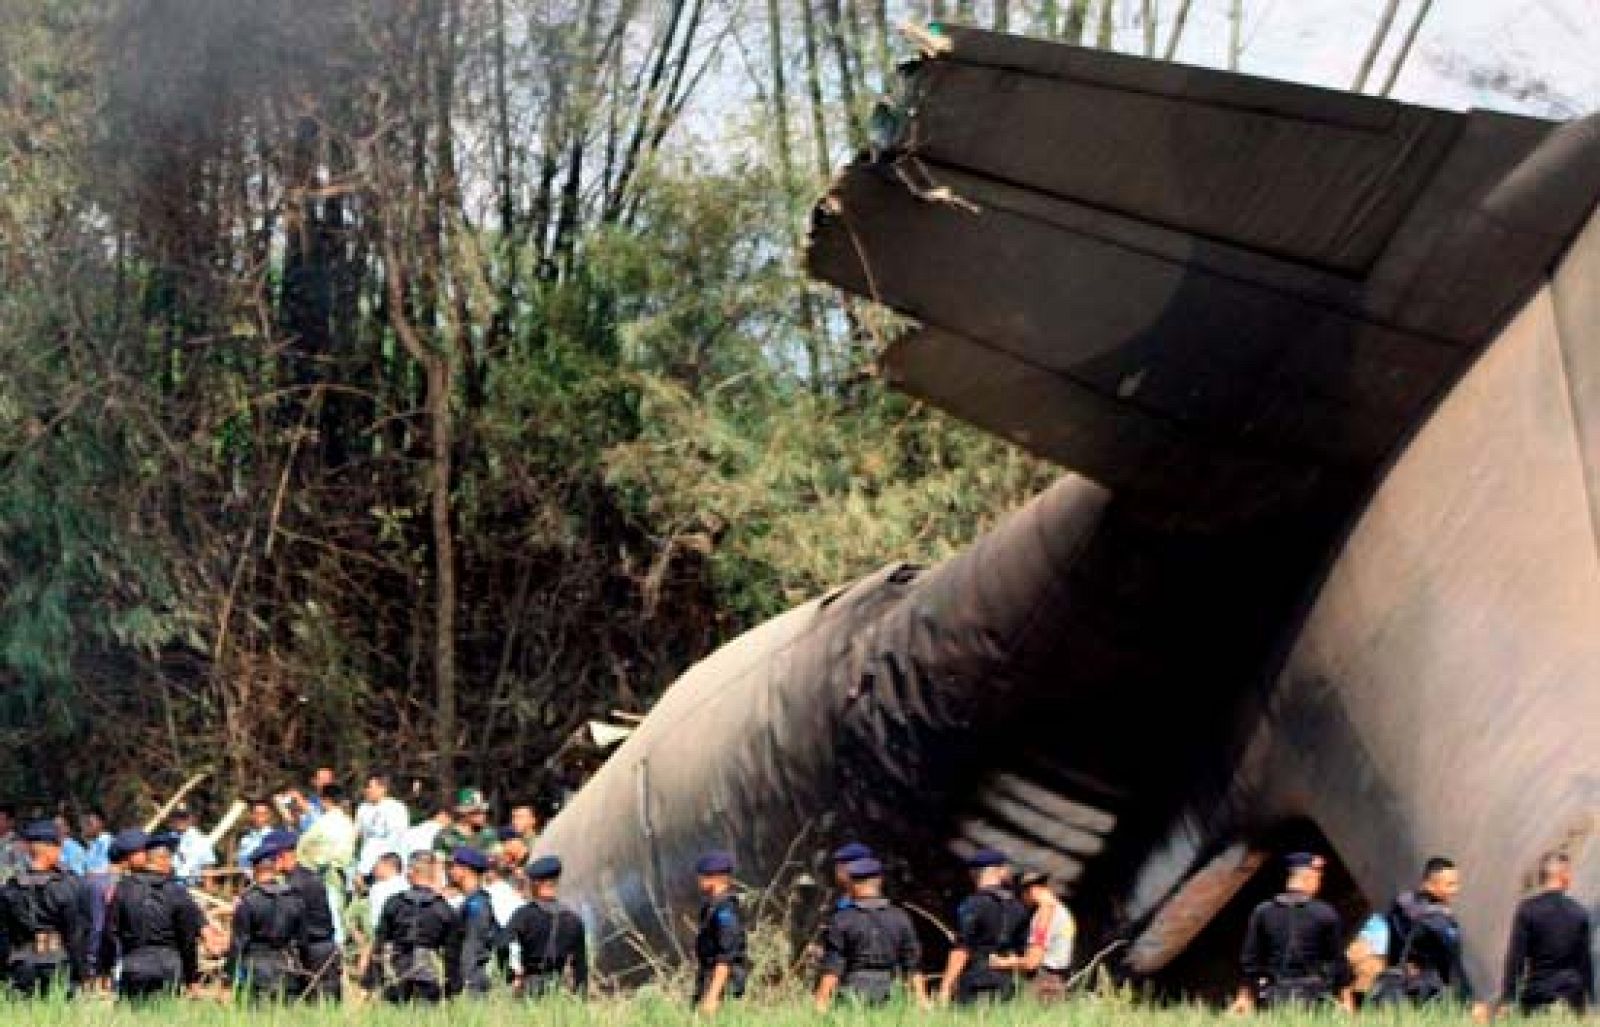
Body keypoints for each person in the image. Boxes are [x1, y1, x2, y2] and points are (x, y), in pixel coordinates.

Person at [1231, 852, 1352, 1012]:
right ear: (1308, 877)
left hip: (1274, 997)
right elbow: (1338, 961)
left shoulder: (1263, 912)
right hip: (1314, 1000)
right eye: (1318, 878)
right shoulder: (1325, 913)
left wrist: (1244, 997)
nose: (1319, 883)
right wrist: (1346, 1000)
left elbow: (1250, 961)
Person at [1374, 856, 1488, 1020]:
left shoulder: (1399, 905)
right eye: (1450, 885)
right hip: (1427, 994)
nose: (1455, 890)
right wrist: (1470, 1001)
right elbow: (1453, 966)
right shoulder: (1439, 920)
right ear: (1429, 884)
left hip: (1395, 988)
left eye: (1456, 883)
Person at [814, 857, 924, 1009]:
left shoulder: (842, 919)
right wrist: (922, 1000)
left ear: (851, 884)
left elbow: (833, 967)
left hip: (853, 996)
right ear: (879, 881)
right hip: (891, 996)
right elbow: (912, 965)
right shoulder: (900, 917)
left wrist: (821, 1001)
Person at [109, 831, 203, 1001]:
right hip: (169, 966)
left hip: (134, 965)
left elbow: (111, 932)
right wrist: (191, 977)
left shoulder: (123, 889)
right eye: (170, 858)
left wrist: (107, 968)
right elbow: (188, 940)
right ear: (163, 860)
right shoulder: (178, 892)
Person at [0, 820, 91, 997]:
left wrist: (4, 973)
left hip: (21, 966)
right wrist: (82, 973)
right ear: (50, 849)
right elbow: (77, 936)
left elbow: (3, 937)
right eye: (58, 847)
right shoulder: (68, 886)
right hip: (58, 964)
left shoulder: (10, 888)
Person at [1499, 852, 1595, 1014]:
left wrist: (1507, 999)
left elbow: (1515, 959)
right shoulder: (1579, 913)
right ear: (1563, 876)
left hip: (1537, 997)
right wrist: (1591, 1001)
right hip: (1571, 1000)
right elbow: (1585, 963)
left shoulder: (1527, 910)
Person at [940, 848, 1027, 1004]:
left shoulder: (972, 905)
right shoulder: (1018, 907)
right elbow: (1023, 952)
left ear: (973, 873)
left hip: (975, 981)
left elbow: (962, 949)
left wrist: (946, 986)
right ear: (1000, 871)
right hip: (1006, 984)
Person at [370, 851, 457, 1004]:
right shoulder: (443, 908)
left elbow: (379, 944)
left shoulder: (394, 903)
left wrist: (374, 979)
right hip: (429, 974)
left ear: (410, 872)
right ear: (434, 873)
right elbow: (452, 954)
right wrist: (452, 987)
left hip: (397, 972)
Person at [229, 835, 308, 1003]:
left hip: (255, 973)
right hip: (287, 970)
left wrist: (230, 976)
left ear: (255, 870)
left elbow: (238, 943)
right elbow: (302, 941)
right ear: (274, 868)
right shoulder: (295, 898)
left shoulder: (248, 901)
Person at [273, 829, 343, 1001]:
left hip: (314, 951)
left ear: (282, 856)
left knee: (320, 1003)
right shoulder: (305, 877)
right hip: (318, 948)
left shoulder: (296, 884)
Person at [506, 856, 587, 998]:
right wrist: (580, 998)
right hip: (559, 990)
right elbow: (580, 967)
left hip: (528, 988)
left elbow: (504, 945)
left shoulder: (524, 915)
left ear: (535, 884)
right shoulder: (574, 920)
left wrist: (513, 976)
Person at [991, 870, 1076, 1001]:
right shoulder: (1063, 911)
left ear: (1031, 890)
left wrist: (1002, 963)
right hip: (1057, 982)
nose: (1022, 900)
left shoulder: (1044, 916)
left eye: (1021, 894)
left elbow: (1032, 962)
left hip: (1042, 985)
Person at [692, 850, 747, 1013]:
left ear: (716, 878)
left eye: (703, 875)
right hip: (710, 977)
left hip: (723, 984)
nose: (699, 879)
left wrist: (713, 996)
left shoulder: (725, 910)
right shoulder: (712, 906)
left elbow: (726, 956)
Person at [448, 847, 500, 997]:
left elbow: (473, 945)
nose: (451, 871)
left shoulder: (476, 904)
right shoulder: (470, 901)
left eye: (454, 867)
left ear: (465, 870)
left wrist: (466, 980)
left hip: (472, 980)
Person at [355, 773, 410, 879]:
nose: (367, 790)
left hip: (388, 863)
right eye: (365, 787)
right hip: (366, 861)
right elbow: (357, 832)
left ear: (383, 788)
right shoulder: (363, 807)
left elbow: (397, 837)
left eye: (370, 787)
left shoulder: (396, 808)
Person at [436, 788, 500, 856]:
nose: (483, 816)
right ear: (464, 813)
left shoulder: (488, 833)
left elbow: (498, 856)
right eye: (477, 812)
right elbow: (438, 859)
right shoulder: (446, 835)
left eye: (484, 811)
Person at [167, 805, 216, 885]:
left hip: (190, 884)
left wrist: (208, 885)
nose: (180, 821)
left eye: (184, 818)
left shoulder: (200, 839)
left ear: (190, 819)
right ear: (173, 819)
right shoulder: (168, 838)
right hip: (169, 882)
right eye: (177, 817)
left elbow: (208, 865)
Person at [236, 799, 276, 871]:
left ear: (269, 815)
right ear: (251, 815)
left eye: (263, 814)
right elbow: (242, 863)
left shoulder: (274, 837)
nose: (260, 817)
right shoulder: (245, 839)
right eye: (256, 813)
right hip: (246, 876)